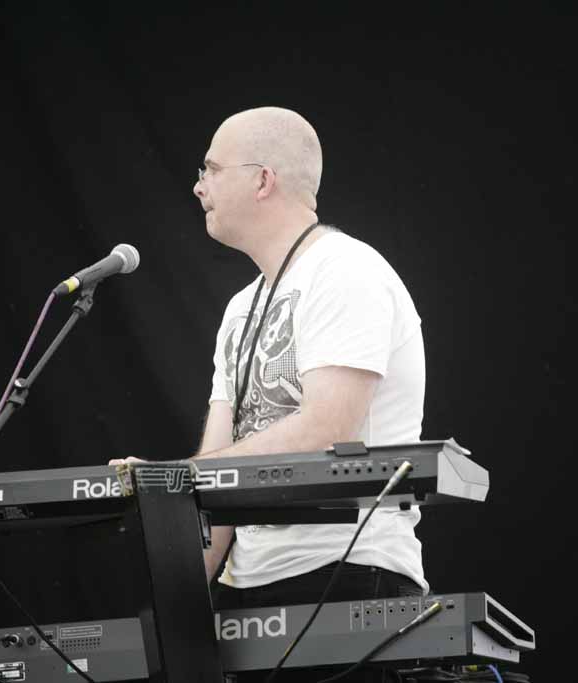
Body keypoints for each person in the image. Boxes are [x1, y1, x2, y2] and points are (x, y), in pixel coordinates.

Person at [112, 106, 427, 679]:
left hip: (343, 574)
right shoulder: (239, 310)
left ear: (262, 179)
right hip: (247, 592)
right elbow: (215, 475)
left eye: (211, 168)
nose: (197, 185)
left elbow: (329, 428)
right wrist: (171, 613)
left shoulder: (345, 269)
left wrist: (174, 474)